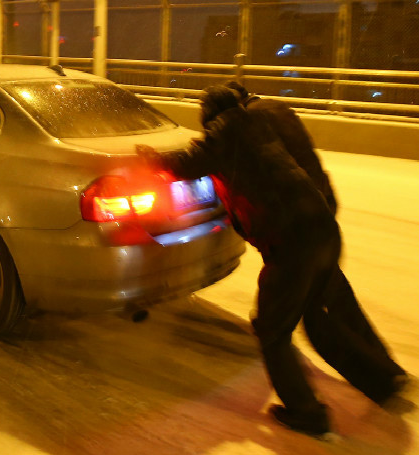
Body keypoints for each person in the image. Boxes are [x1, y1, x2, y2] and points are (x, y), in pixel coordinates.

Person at [137, 85, 342, 437]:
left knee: (271, 331)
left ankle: (307, 412)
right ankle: (374, 381)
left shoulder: (224, 133)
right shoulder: (258, 126)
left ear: (209, 115)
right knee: (313, 314)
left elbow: (186, 163)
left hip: (292, 242)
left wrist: (149, 157)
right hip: (322, 229)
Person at [226, 81, 408, 405]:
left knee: (316, 314)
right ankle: (386, 367)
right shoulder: (275, 108)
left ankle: (378, 381)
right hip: (321, 207)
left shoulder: (252, 122)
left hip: (300, 221)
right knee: (335, 293)